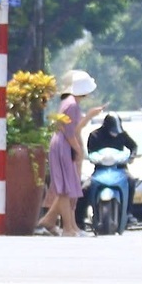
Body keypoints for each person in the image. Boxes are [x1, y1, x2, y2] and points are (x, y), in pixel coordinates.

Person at [37, 71, 100, 237]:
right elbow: (70, 132)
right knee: (65, 188)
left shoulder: (69, 102)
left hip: (62, 144)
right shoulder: (72, 105)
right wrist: (78, 150)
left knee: (66, 188)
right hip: (64, 145)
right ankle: (68, 228)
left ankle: (62, 224)